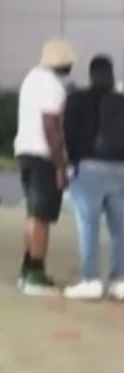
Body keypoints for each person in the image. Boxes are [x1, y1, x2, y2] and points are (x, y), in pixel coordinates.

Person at [14, 37, 75, 295]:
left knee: (33, 214)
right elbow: (51, 126)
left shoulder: (31, 78)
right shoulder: (53, 86)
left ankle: (27, 269)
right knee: (42, 217)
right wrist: (60, 163)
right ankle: (36, 275)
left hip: (25, 151)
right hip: (43, 155)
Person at [63, 55, 124, 302]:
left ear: (91, 75)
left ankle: (90, 280)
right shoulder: (121, 101)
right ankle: (119, 281)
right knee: (120, 229)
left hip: (88, 168)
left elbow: (68, 133)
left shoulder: (76, 98)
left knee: (88, 226)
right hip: (120, 169)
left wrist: (74, 161)